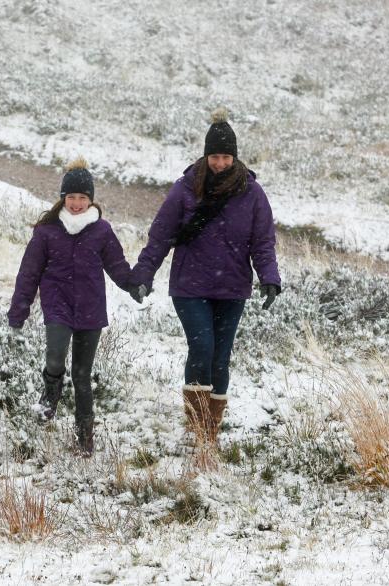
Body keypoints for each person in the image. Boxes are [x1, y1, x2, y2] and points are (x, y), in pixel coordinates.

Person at [131, 108, 281, 443]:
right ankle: (195, 423)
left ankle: (209, 431)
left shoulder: (253, 194)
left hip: (232, 287)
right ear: (206, 154)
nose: (220, 163)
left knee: (221, 356)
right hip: (190, 285)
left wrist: (269, 278)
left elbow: (263, 242)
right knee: (203, 346)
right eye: (215, 156)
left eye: (226, 157)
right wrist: (143, 274)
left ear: (235, 157)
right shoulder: (186, 188)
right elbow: (161, 236)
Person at [8, 158, 141, 456]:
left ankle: (84, 437)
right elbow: (28, 274)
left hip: (91, 308)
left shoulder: (102, 231)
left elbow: (117, 266)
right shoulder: (46, 232)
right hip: (57, 304)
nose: (77, 203)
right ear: (62, 199)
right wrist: (19, 312)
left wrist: (134, 285)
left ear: (90, 200)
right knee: (55, 357)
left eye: (82, 198)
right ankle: (50, 398)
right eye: (71, 197)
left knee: (82, 374)